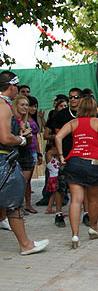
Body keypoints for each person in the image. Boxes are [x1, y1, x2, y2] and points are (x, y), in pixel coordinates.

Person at [0, 71, 49, 254]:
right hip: (5, 161)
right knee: (14, 202)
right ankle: (26, 244)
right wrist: (21, 139)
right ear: (12, 87)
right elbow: (5, 138)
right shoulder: (3, 107)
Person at [55, 97, 98, 248]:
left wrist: (61, 156)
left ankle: (75, 235)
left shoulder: (73, 123)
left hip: (74, 161)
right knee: (93, 199)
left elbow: (58, 136)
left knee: (75, 200)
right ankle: (94, 228)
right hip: (94, 162)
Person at [12, 95, 37, 214]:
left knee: (23, 184)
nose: (25, 107)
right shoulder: (11, 121)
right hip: (14, 155)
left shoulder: (26, 123)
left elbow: (29, 142)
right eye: (22, 105)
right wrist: (21, 136)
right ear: (16, 106)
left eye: (26, 105)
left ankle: (21, 208)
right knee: (14, 184)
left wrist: (28, 136)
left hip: (26, 155)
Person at [44, 144, 63, 215]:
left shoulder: (54, 156)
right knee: (57, 194)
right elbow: (59, 152)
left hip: (55, 176)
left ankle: (49, 208)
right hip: (54, 176)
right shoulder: (49, 153)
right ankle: (58, 210)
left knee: (54, 194)